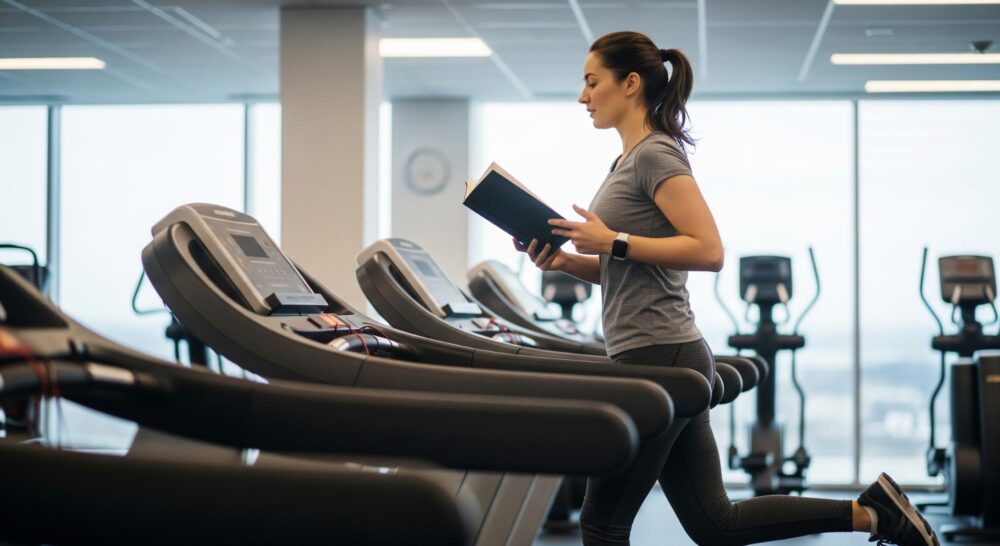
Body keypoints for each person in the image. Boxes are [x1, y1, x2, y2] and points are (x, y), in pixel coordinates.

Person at [513, 30, 939, 546]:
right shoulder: (623, 162)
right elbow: (629, 272)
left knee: (603, 523)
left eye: (591, 81)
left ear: (630, 83)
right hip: (660, 353)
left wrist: (613, 241)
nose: (583, 96)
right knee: (714, 523)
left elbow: (709, 250)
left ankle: (878, 513)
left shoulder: (654, 155)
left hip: (660, 355)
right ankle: (876, 514)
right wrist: (564, 261)